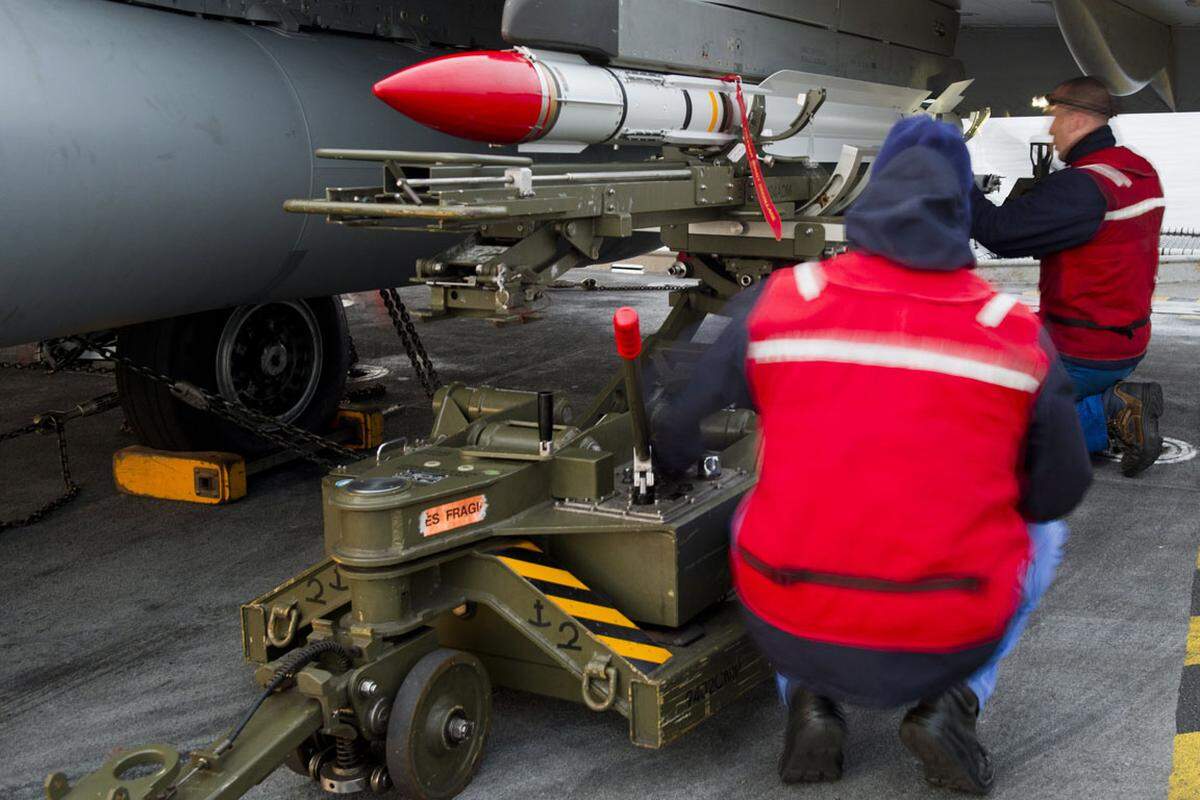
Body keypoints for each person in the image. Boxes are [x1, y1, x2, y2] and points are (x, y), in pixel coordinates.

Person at [653, 116, 1092, 794]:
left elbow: (679, 428)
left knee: (752, 506)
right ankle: (952, 700)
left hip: (794, 615)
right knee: (1047, 535)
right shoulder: (1013, 335)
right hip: (948, 621)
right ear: (961, 210)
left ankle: (810, 699)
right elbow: (1058, 490)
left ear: (871, 194)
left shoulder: (782, 303)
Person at [971, 76, 1166, 476]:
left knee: (990, 426)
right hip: (1127, 338)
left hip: (1082, 350)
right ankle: (1103, 406)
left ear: (1078, 120)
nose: (1050, 129)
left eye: (1055, 117)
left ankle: (1112, 409)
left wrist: (956, 183)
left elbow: (999, 234)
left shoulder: (1083, 186)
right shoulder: (1138, 170)